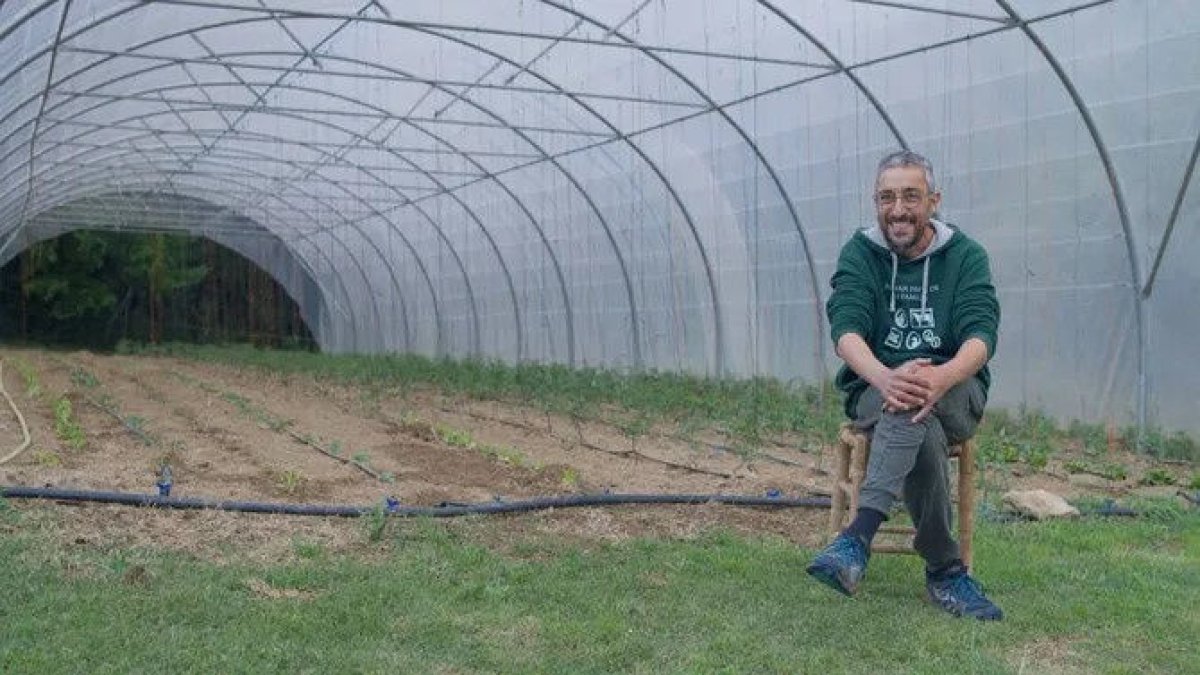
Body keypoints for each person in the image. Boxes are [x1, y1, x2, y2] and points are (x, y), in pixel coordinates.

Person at [806, 150, 1003, 621]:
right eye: (887, 197)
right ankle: (945, 572)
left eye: (911, 196)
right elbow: (846, 330)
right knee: (915, 416)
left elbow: (981, 336)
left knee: (914, 397)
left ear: (934, 201)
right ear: (875, 201)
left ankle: (857, 537)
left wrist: (941, 376)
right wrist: (885, 376)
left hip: (956, 389)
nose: (898, 209)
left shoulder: (965, 256)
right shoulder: (861, 253)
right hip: (877, 387)